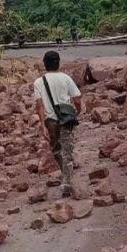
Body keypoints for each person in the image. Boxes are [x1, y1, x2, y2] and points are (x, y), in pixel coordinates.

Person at [34, 50, 83, 197]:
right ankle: (67, 181)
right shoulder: (66, 78)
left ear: (44, 63)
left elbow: (39, 105)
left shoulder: (39, 82)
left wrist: (42, 125)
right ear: (58, 63)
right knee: (68, 151)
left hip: (51, 121)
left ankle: (66, 177)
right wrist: (77, 112)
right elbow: (77, 99)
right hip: (66, 118)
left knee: (56, 150)